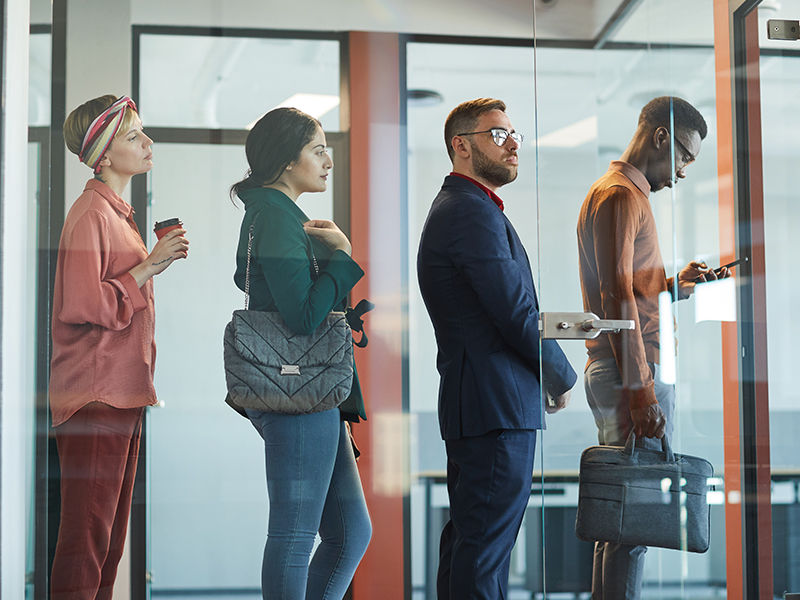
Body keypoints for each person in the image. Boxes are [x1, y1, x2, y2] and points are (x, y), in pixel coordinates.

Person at [417, 97, 577, 599]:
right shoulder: (469, 212)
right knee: (483, 555)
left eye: (514, 136)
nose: (512, 146)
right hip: (496, 407)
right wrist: (560, 374)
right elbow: (515, 314)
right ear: (461, 146)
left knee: (471, 548)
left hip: (484, 403)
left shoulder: (467, 209)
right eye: (498, 135)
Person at [576, 96, 726, 599]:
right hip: (631, 374)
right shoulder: (620, 195)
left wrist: (671, 283)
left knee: (622, 523)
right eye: (685, 155)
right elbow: (616, 298)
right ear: (661, 137)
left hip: (625, 370)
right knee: (632, 525)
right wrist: (643, 395)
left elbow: (628, 287)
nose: (683, 172)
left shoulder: (619, 194)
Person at [228, 107, 371, 600]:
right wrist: (343, 256)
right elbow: (304, 317)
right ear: (289, 160)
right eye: (318, 149)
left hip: (312, 393)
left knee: (351, 532)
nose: (327, 159)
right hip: (298, 393)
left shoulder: (278, 213)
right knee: (294, 536)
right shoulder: (274, 215)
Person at [50, 94, 189, 599]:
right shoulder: (92, 213)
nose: (147, 142)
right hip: (96, 397)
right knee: (87, 539)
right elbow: (83, 305)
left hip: (120, 394)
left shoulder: (117, 214)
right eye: (134, 136)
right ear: (104, 155)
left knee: (106, 542)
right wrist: (149, 266)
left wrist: (150, 263)